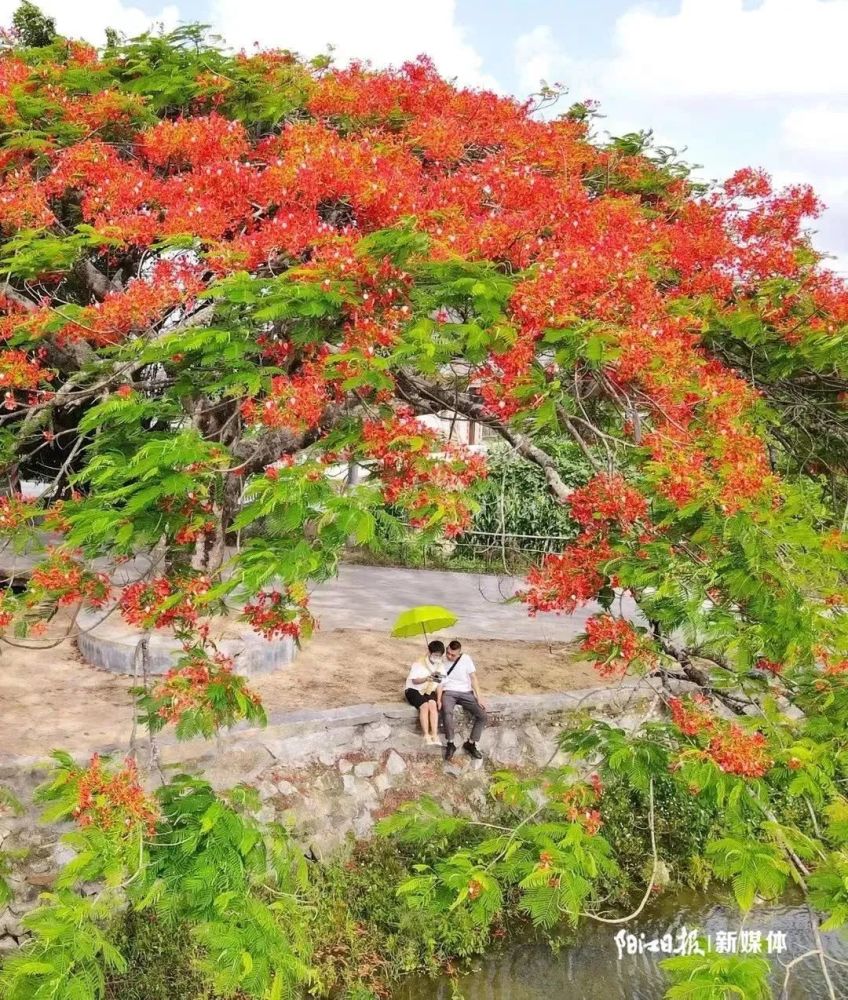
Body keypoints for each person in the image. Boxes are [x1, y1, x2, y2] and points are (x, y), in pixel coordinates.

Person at [437, 639, 486, 761]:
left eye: (453, 655)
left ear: (459, 653)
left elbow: (473, 678)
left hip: (466, 692)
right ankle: (450, 743)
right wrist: (438, 699)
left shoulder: (466, 659)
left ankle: (471, 743)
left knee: (482, 716)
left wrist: (479, 697)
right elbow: (438, 683)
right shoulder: (441, 661)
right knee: (447, 712)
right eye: (448, 652)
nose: (449, 656)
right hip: (448, 691)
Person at [405, 639, 444, 745]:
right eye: (435, 655)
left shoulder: (439, 666)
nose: (437, 657)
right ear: (429, 652)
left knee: (433, 704)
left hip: (428, 690)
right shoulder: (419, 663)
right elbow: (414, 681)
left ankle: (434, 734)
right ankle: (426, 735)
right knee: (425, 706)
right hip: (414, 689)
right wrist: (427, 678)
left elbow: (439, 684)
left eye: (439, 655)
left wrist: (439, 699)